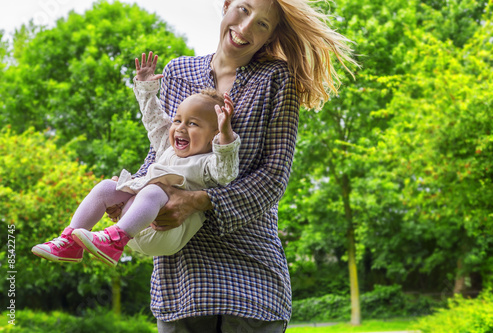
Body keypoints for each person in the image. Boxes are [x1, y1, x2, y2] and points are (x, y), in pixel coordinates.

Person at [115, 0, 358, 331]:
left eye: (262, 24)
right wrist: (130, 198)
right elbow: (161, 155)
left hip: (250, 279)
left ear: (272, 34)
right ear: (227, 4)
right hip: (180, 279)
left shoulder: (275, 79)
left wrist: (201, 201)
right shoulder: (177, 72)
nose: (245, 28)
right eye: (243, 10)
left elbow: (273, 178)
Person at [31, 54, 241, 266]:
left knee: (154, 190)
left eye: (193, 124)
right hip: (136, 220)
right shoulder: (167, 148)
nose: (180, 128)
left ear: (214, 135)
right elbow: (155, 121)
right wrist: (146, 89)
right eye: (177, 120)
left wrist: (226, 135)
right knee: (106, 187)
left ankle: (114, 240)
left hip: (166, 231)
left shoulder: (207, 162)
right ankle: (70, 242)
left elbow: (227, 171)